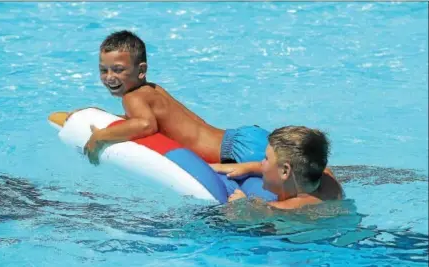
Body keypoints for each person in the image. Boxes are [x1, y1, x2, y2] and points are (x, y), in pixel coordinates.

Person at [67, 30, 270, 165]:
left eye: (118, 70)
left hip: (232, 156)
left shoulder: (132, 98)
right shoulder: (152, 89)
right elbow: (142, 120)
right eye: (103, 70)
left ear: (141, 70)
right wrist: (99, 114)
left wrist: (99, 137)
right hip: (242, 138)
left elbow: (146, 125)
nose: (110, 77)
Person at [211, 126, 344, 209]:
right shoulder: (328, 181)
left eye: (266, 159)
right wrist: (249, 167)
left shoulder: (286, 210)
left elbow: (249, 214)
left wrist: (241, 205)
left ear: (285, 171)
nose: (261, 163)